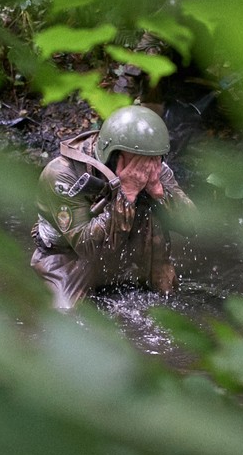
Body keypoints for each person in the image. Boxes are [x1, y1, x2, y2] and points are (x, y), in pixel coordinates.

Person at [30, 105, 198, 310]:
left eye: (154, 159)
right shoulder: (63, 175)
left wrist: (157, 191)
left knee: (167, 299)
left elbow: (194, 227)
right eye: (137, 160)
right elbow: (86, 247)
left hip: (128, 248)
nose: (144, 167)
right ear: (114, 155)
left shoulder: (152, 164)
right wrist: (126, 193)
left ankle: (154, 279)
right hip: (71, 256)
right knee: (67, 314)